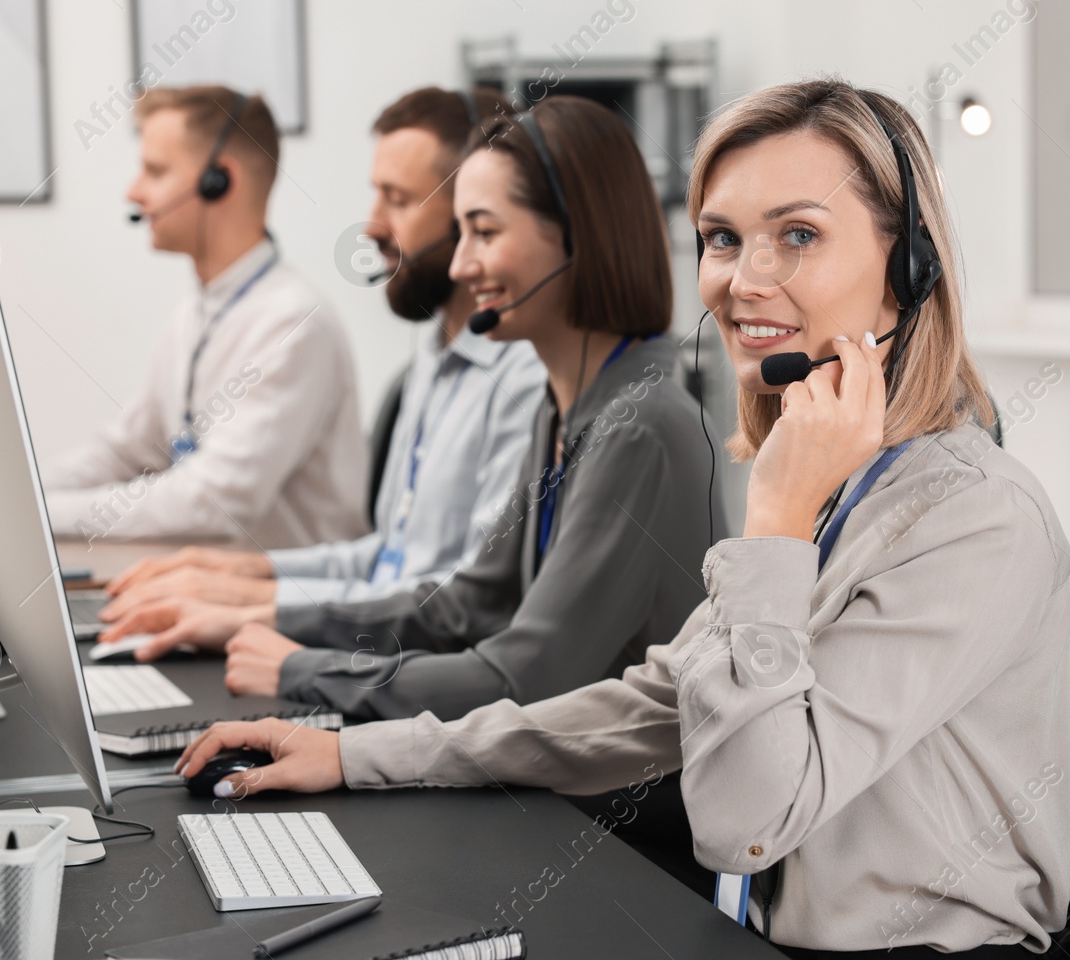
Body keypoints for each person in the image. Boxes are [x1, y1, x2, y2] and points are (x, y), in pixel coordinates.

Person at [177, 79, 1070, 960]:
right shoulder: (846, 492)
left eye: (797, 235)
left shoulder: (973, 517)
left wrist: (774, 523)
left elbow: (746, 817)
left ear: (908, 267)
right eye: (722, 238)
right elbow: (660, 701)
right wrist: (359, 754)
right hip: (775, 947)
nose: (742, 278)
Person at [124, 95, 722, 724]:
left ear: (581, 240)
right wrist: (262, 622)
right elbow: (463, 607)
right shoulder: (564, 406)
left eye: (485, 233)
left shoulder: (636, 427)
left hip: (610, 813)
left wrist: (302, 668)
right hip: (545, 769)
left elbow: (529, 675)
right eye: (462, 232)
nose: (463, 264)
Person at [91, 87, 545, 634]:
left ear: (466, 216)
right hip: (372, 645)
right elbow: (388, 559)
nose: (372, 223)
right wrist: (247, 576)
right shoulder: (429, 363)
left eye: (398, 200)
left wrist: (254, 609)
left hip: (410, 677)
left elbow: (465, 606)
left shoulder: (523, 382)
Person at [43, 86, 367, 550]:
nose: (133, 192)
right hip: (211, 592)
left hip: (291, 613)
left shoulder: (292, 324)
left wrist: (41, 516)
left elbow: (214, 501)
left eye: (154, 171)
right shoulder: (193, 316)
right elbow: (125, 449)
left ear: (219, 180)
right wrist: (17, 495)